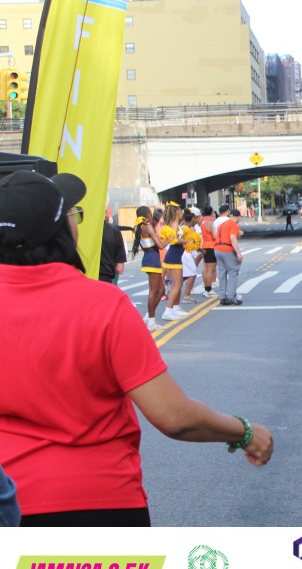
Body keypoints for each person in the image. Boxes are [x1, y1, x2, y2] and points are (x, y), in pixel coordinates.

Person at [0, 170, 273, 526]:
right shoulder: (101, 305)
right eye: (72, 215)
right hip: (99, 504)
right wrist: (245, 432)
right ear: (60, 233)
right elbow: (174, 416)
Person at [131, 205, 166, 332]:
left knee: (161, 290)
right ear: (147, 215)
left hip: (149, 257)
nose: (151, 215)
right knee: (153, 291)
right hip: (152, 258)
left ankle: (148, 317)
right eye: (150, 213)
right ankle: (151, 322)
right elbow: (161, 246)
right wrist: (170, 239)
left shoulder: (139, 226)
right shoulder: (147, 227)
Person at [160, 203, 190, 321]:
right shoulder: (173, 224)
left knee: (178, 284)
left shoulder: (176, 224)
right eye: (180, 210)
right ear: (176, 212)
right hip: (173, 256)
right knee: (176, 285)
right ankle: (168, 311)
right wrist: (187, 240)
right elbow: (173, 240)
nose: (182, 212)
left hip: (176, 255)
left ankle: (175, 308)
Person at [215, 208, 244, 306]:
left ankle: (223, 297)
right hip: (227, 249)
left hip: (217, 249)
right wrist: (238, 253)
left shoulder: (222, 225)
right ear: (238, 217)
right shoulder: (234, 225)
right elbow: (232, 238)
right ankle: (231, 296)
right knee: (233, 272)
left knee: (222, 273)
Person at [99, 206, 127, 284]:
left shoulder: (82, 230)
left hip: (85, 282)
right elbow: (119, 269)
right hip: (106, 281)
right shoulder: (115, 232)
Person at [180, 209, 202, 304]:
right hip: (185, 253)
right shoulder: (183, 229)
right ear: (192, 219)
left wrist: (200, 250)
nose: (196, 220)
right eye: (195, 219)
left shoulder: (190, 228)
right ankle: (186, 295)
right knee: (192, 273)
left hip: (189, 253)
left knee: (188, 274)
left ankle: (174, 287)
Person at [199, 205, 218, 298]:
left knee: (206, 269)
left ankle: (207, 288)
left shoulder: (203, 222)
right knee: (211, 269)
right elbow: (214, 236)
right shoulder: (210, 223)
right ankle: (208, 289)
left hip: (205, 245)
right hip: (211, 246)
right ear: (211, 213)